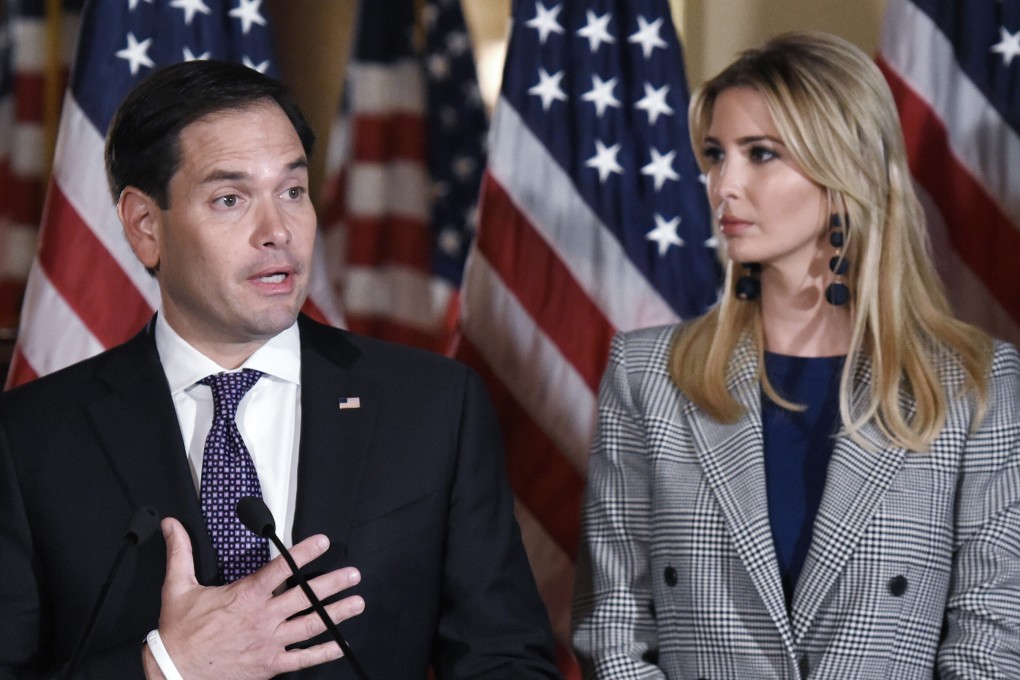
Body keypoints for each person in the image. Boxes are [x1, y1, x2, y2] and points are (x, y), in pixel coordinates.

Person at [0, 60, 561, 679]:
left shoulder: (432, 406)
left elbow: (506, 658)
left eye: (293, 191)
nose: (278, 232)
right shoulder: (31, 437)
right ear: (145, 226)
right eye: (231, 199)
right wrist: (165, 667)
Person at [571, 31, 1020, 679]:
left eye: (761, 154)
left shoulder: (977, 385)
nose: (724, 184)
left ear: (845, 172)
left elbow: (990, 643)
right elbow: (613, 628)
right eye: (715, 155)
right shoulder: (648, 376)